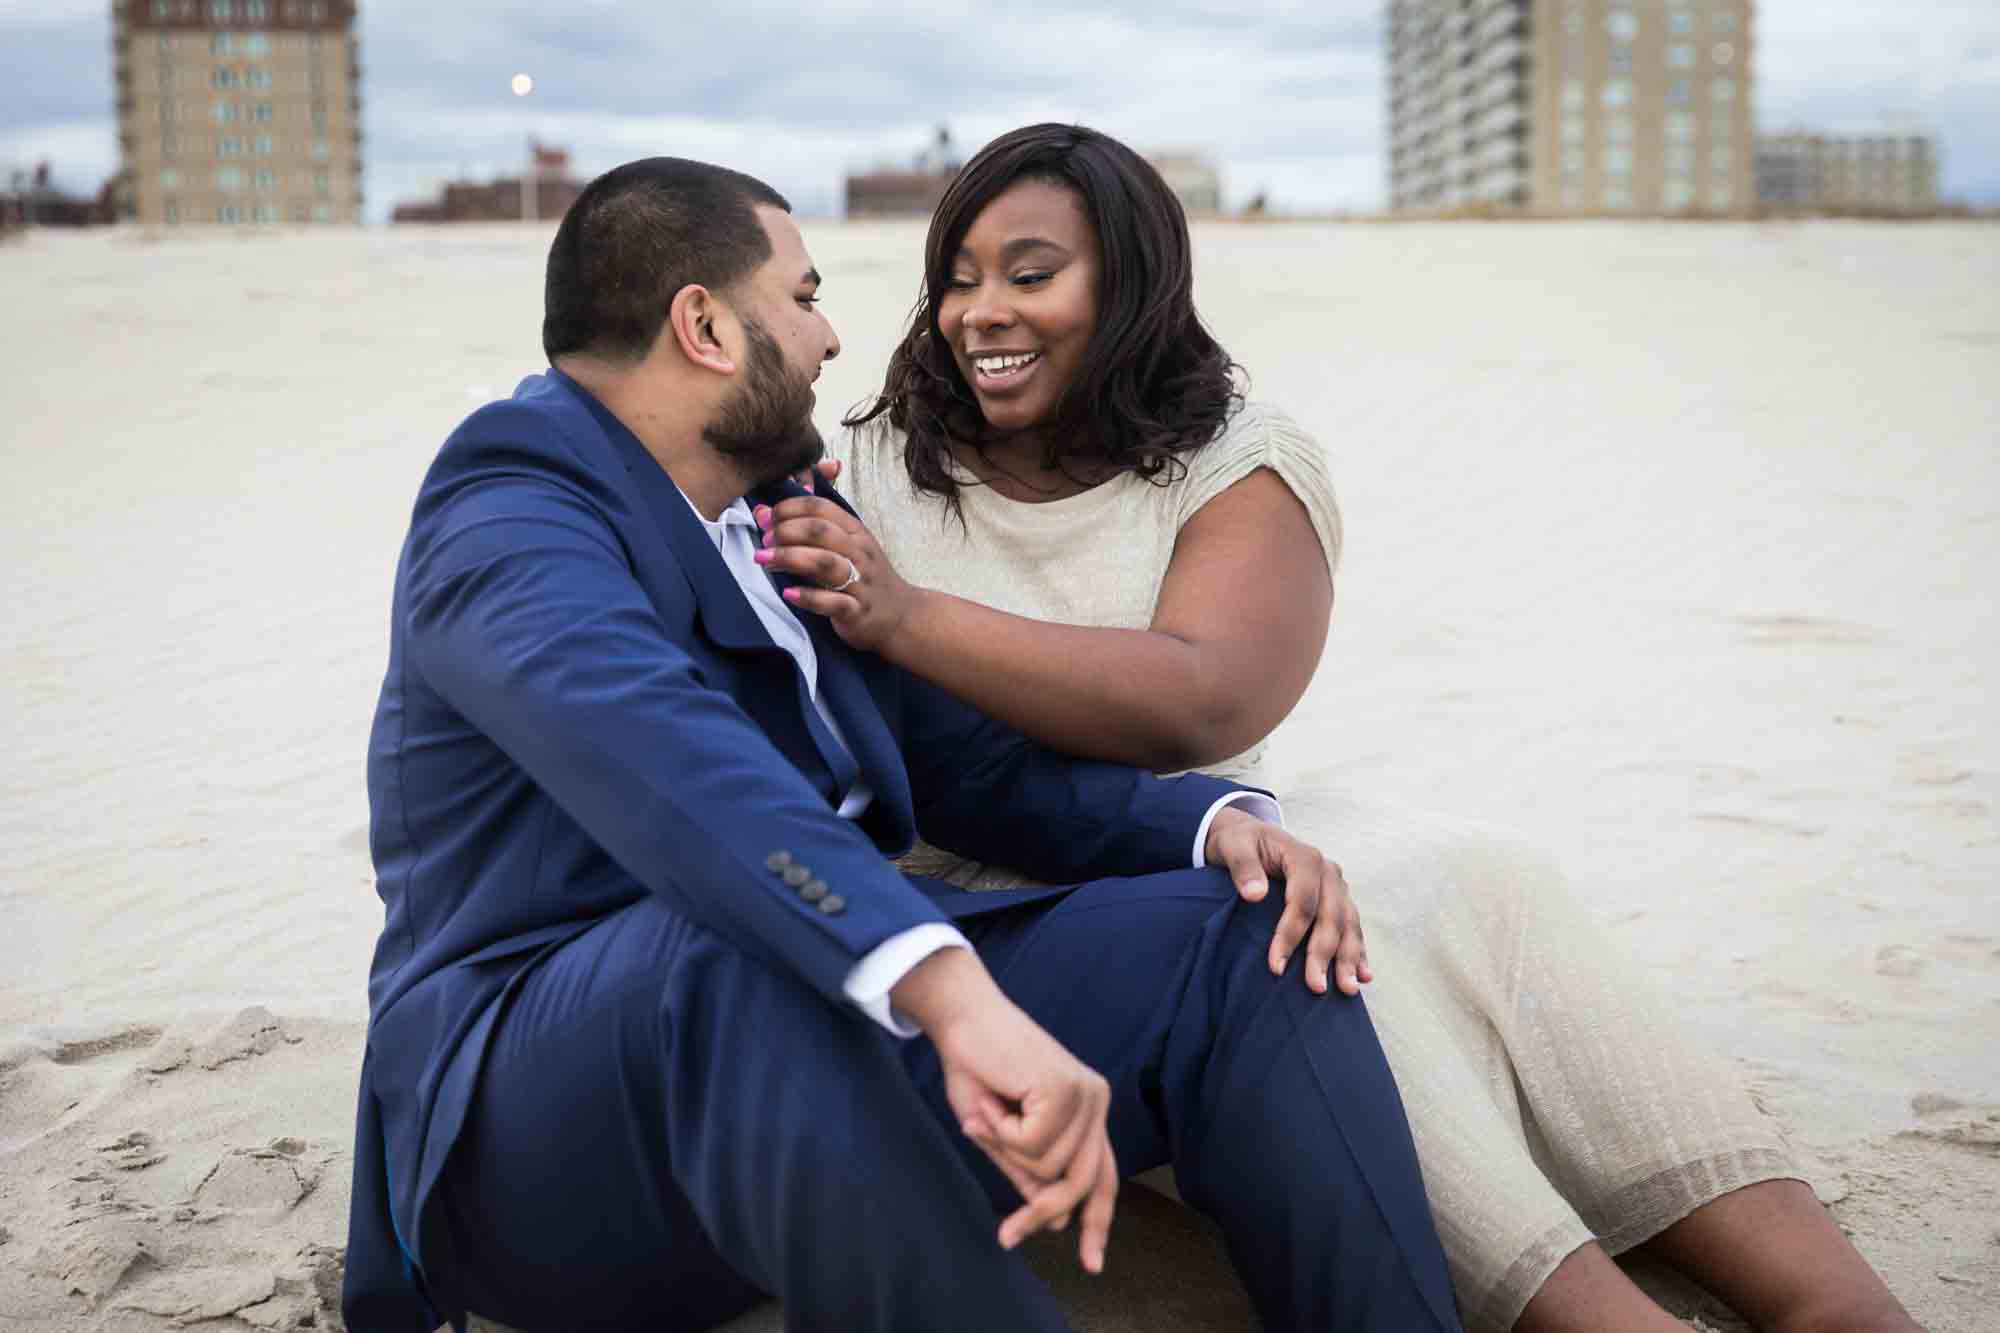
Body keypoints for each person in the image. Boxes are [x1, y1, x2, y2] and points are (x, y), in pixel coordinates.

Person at [760, 124, 1922, 1333]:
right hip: (1026, 896)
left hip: (1214, 822)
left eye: (1030, 273)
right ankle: (1596, 1314)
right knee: (1313, 950)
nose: (980, 312)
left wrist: (907, 615)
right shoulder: (874, 462)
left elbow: (1200, 698)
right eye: (958, 276)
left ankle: (1825, 1294)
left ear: (1131, 284)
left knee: (1487, 880)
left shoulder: (1235, 459)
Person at [341, 155, 1464, 1333]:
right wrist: (940, 983)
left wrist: (1208, 827)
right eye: (805, 295)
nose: (832, 340)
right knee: (730, 951)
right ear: (706, 324)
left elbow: (958, 767)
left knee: (1249, 941)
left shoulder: (782, 512)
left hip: (818, 1045)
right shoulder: (509, 508)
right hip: (544, 1138)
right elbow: (662, 757)